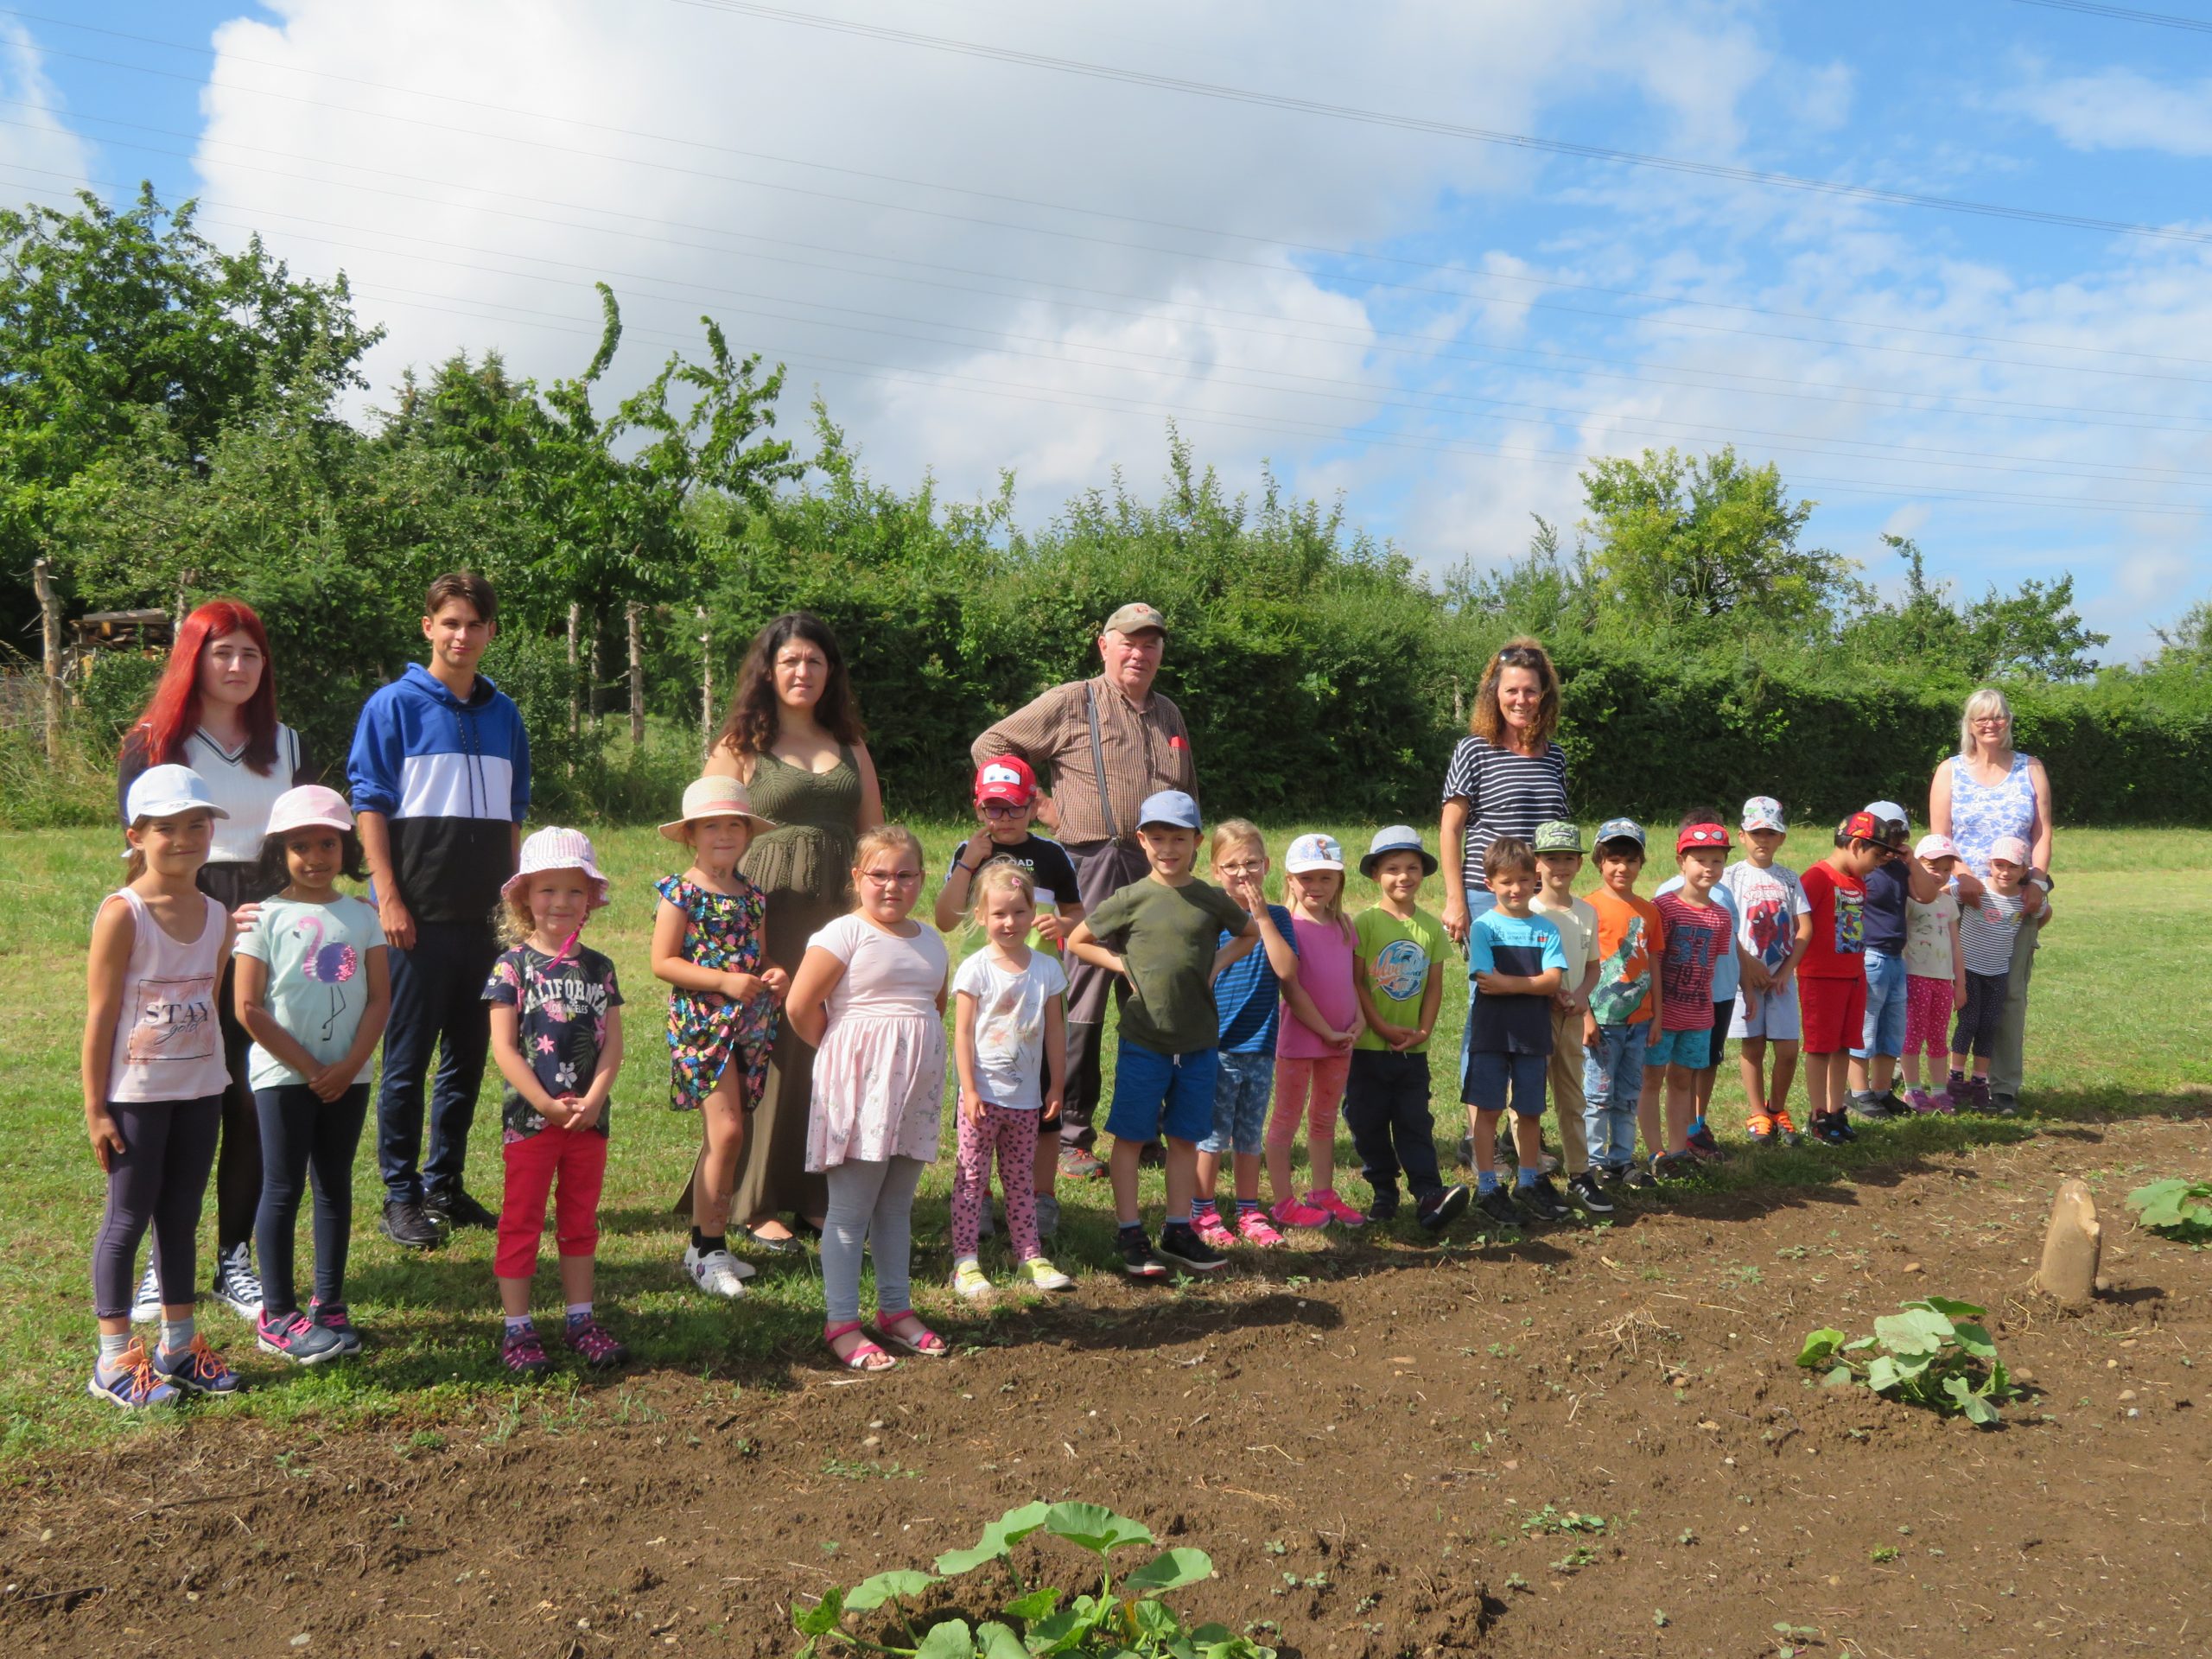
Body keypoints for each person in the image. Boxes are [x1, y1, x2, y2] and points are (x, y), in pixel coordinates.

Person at [117, 599, 318, 1323]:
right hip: (180, 935)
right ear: (193, 658)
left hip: (266, 937)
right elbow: (136, 856)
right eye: (222, 652)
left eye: (251, 654)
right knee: (174, 1098)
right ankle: (159, 1262)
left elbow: (308, 847)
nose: (237, 667)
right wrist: (194, 918)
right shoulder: (153, 743)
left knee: (250, 1097)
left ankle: (236, 1257)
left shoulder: (288, 746)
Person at [972, 603, 1198, 1181]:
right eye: (1129, 642)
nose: (1140, 654)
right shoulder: (1072, 700)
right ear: (1105, 646)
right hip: (1090, 859)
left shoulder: (1170, 712)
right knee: (1085, 993)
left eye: (1151, 644)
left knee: (1150, 990)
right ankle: (1072, 1132)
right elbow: (992, 744)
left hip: (1155, 868)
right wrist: (1042, 807)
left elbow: (1188, 796)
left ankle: (1142, 1129)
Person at [349, 572, 529, 1249]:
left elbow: (514, 814)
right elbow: (370, 802)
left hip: (484, 921)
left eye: (474, 624)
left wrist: (517, 903)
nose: (461, 635)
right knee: (407, 1060)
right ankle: (400, 1195)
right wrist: (386, 894)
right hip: (415, 917)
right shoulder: (393, 706)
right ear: (428, 627)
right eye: (449, 622)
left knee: (468, 1056)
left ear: (490, 633)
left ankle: (443, 1184)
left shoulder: (503, 713)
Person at [702, 613, 883, 1252]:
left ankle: (814, 1191)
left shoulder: (850, 743)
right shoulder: (741, 743)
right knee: (768, 1047)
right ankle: (755, 1197)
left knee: (827, 1042)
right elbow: (706, 830)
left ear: (829, 671)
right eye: (790, 662)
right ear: (769, 671)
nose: (802, 672)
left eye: (814, 661)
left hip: (836, 913)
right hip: (764, 914)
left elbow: (874, 837)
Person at [82, 765, 242, 1407]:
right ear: (136, 835)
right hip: (137, 1098)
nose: (184, 839)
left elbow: (212, 999)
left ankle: (178, 1345)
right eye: (167, 828)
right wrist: (97, 1108)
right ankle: (114, 1359)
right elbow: (99, 1015)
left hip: (201, 1092)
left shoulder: (218, 914)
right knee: (127, 1219)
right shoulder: (124, 914)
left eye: (196, 825)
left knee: (181, 1215)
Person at [1065, 790, 1255, 1277]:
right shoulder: (1130, 897)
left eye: (1178, 838)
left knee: (1184, 1140)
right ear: (1141, 841)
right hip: (1144, 1041)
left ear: (1196, 841)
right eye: (1157, 838)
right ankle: (1130, 1233)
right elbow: (1078, 940)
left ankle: (1177, 1229)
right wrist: (1121, 965)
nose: (1168, 848)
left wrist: (1215, 963)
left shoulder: (1211, 899)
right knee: (1130, 1137)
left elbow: (1249, 932)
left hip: (1198, 1043)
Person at [785, 825, 950, 1371]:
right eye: (878, 874)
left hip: (913, 1092)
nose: (891, 886)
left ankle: (895, 1311)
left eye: (904, 875)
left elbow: (933, 1006)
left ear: (921, 880)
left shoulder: (930, 940)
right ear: (858, 878)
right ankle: (842, 1322)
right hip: (860, 1089)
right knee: (851, 1209)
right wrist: (846, 1056)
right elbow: (801, 1005)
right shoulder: (843, 934)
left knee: (896, 1206)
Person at [234, 786, 390, 1364]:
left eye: (327, 843)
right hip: (282, 1076)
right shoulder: (262, 917)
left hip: (349, 1077)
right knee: (282, 1187)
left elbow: (379, 999)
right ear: (281, 851)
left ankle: (330, 1304)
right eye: (301, 846)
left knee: (334, 1184)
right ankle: (276, 1314)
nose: (316, 856)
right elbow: (247, 1008)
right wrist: (312, 1068)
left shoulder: (362, 915)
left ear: (344, 846)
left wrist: (347, 1068)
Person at [484, 829, 629, 1378]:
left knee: (580, 1220)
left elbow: (613, 1042)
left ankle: (580, 1318)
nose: (560, 902)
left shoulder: (601, 967)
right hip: (531, 1122)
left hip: (589, 1122)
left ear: (590, 897)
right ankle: (517, 1327)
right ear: (525, 897)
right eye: (548, 890)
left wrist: (594, 1099)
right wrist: (545, 1103)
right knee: (521, 1220)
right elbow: (503, 1046)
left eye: (573, 891)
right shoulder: (511, 967)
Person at [934, 754, 1084, 1238]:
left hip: (1038, 993)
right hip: (985, 993)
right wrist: (968, 862)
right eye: (994, 808)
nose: (1004, 819)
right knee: (978, 1097)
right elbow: (944, 918)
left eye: (1015, 808)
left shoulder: (1053, 855)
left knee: (1042, 1102)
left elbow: (1079, 918)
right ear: (979, 808)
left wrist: (1063, 925)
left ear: (1033, 804)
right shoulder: (969, 850)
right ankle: (976, 1197)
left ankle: (1041, 1198)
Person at [651, 776, 785, 1300]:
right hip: (701, 1027)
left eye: (735, 824)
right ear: (691, 835)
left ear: (748, 832)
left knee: (726, 1136)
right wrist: (724, 981)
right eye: (712, 826)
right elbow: (663, 962)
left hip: (749, 1025)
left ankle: (709, 1243)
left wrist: (774, 973)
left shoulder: (752, 895)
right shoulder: (680, 892)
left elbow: (762, 954)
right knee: (727, 1133)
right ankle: (706, 1252)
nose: (724, 834)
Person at [949, 861, 1076, 1299]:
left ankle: (1029, 1254)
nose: (1010, 922)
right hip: (982, 1097)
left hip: (1027, 1099)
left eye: (1019, 913)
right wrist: (967, 1089)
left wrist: (1056, 1085)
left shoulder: (1047, 970)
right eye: (999, 913)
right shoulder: (975, 969)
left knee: (1021, 1179)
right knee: (971, 1178)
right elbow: (962, 1032)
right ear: (981, 916)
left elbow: (1057, 1031)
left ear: (1032, 913)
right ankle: (965, 1261)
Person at [1929, 688, 2055, 1115]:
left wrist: (2038, 883)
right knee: (1943, 991)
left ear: (2008, 721)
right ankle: (1933, 1082)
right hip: (1961, 899)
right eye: (1981, 718)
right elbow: (1938, 838)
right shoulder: (1949, 771)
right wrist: (1962, 876)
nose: (1990, 724)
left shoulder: (2030, 768)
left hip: (2014, 899)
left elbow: (2042, 832)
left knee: (2008, 993)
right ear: (1969, 724)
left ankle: (1999, 1087)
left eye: (1998, 717)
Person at [1347, 825, 1470, 1230]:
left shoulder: (1432, 928)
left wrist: (1423, 1031)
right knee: (1368, 1124)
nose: (1404, 876)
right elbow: (1358, 982)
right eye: (1393, 868)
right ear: (1375, 874)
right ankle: (1384, 1190)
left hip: (1412, 1051)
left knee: (1415, 1121)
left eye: (1412, 867)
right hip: (1368, 1048)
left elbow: (1434, 987)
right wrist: (1381, 1026)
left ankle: (1429, 1194)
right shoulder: (1364, 924)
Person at [1194, 821, 1297, 1249]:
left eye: (1251, 863)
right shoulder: (1209, 917)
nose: (1243, 873)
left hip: (1260, 1045)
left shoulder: (1277, 917)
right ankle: (1201, 1212)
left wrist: (1259, 916)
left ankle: (1249, 1209)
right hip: (1215, 1046)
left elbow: (1287, 970)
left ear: (1267, 865)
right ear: (1216, 872)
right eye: (1231, 865)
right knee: (1212, 1134)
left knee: (1248, 1133)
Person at [1464, 836, 1569, 1228]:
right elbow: (1486, 979)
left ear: (1535, 881)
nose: (1516, 889)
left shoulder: (1546, 928)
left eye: (1524, 880)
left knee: (1529, 1110)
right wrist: (1534, 982)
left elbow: (1554, 980)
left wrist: (1514, 984)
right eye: (1506, 881)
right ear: (1490, 882)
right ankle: (1488, 1186)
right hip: (1491, 1034)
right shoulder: (1484, 927)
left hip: (1531, 1033)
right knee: (1488, 1109)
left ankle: (1528, 1180)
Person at [1268, 834, 1367, 1230]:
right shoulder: (1286, 927)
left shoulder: (1344, 925)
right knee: (1287, 1119)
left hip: (1340, 1039)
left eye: (1326, 878)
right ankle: (1282, 1200)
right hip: (1301, 1039)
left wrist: (1357, 1020)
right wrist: (1325, 1030)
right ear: (1290, 880)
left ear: (1339, 883)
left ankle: (1322, 1192)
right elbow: (1291, 987)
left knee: (1325, 1118)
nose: (1316, 887)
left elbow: (1350, 981)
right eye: (1307, 878)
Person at [1644, 820, 1736, 1180]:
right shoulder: (1662, 908)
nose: (1709, 868)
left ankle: (1679, 1150)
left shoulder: (1721, 917)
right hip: (1662, 1013)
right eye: (1700, 860)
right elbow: (1654, 962)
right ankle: (1655, 1151)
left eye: (1717, 860)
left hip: (1699, 1014)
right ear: (1682, 861)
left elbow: (1711, 966)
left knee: (1683, 1080)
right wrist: (1655, 1011)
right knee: (1652, 1079)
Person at [1846, 802, 1948, 1120]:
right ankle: (1859, 1092)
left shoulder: (1900, 867)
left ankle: (1881, 1091)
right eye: (1884, 836)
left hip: (1895, 957)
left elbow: (1928, 894)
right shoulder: (1865, 867)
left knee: (1892, 1029)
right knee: (1866, 1027)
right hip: (1871, 955)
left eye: (1897, 835)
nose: (1891, 843)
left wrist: (1911, 860)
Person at [1528, 823, 1609, 1215]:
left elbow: (1593, 967)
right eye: (1551, 857)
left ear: (1579, 863)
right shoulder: (1527, 909)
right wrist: (1549, 993)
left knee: (1573, 1096)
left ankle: (1580, 1174)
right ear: (1537, 863)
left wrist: (1579, 997)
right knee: (1526, 1099)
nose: (1560, 865)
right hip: (1533, 1014)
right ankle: (1532, 1175)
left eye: (1568, 858)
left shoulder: (1586, 912)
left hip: (1572, 1015)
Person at [1722, 798, 1810, 1147]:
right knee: (1753, 1046)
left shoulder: (1789, 879)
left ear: (1782, 838)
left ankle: (1778, 1109)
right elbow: (1726, 926)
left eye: (1771, 833)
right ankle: (1758, 1113)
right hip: (1747, 978)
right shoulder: (1730, 877)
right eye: (1756, 832)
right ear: (1742, 835)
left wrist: (1786, 971)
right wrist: (1748, 965)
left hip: (1780, 981)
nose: (1763, 839)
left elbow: (1805, 928)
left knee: (1788, 1049)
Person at [1581, 819, 1662, 1191]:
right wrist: (1586, 1016)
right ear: (1599, 861)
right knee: (1598, 1096)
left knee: (1628, 1095)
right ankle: (1593, 1162)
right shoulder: (1587, 909)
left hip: (1639, 1022)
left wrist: (1657, 1015)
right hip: (1601, 1021)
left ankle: (1622, 1160)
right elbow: (1577, 967)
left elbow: (1654, 964)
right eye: (1614, 858)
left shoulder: (1648, 912)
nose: (1621, 868)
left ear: (1641, 864)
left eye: (1630, 860)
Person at [1800, 812, 1889, 1146]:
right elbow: (1799, 926)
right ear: (1855, 845)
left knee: (1843, 1046)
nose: (1878, 864)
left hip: (1853, 976)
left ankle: (1836, 1110)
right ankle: (1817, 1115)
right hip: (1820, 978)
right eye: (1876, 856)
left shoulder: (1857, 881)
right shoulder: (1816, 878)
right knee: (1820, 1048)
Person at [1951, 836, 2051, 1113]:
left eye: (2012, 867)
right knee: (1968, 1023)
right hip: (1970, 968)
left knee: (1990, 1026)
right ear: (1989, 865)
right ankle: (1955, 1080)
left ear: (2024, 871)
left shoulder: (2024, 899)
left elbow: (2044, 912)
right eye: (1999, 865)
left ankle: (1980, 1084)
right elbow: (1944, 897)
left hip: (1998, 971)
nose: (2005, 872)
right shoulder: (1977, 890)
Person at [1901, 833, 1966, 1114]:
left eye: (1946, 869)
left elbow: (1955, 945)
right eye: (1932, 868)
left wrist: (1959, 984)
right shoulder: (1911, 898)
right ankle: (1913, 1089)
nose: (1940, 875)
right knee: (1913, 1035)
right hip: (1915, 975)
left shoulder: (1949, 903)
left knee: (1939, 1036)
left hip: (1943, 980)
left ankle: (1940, 1091)